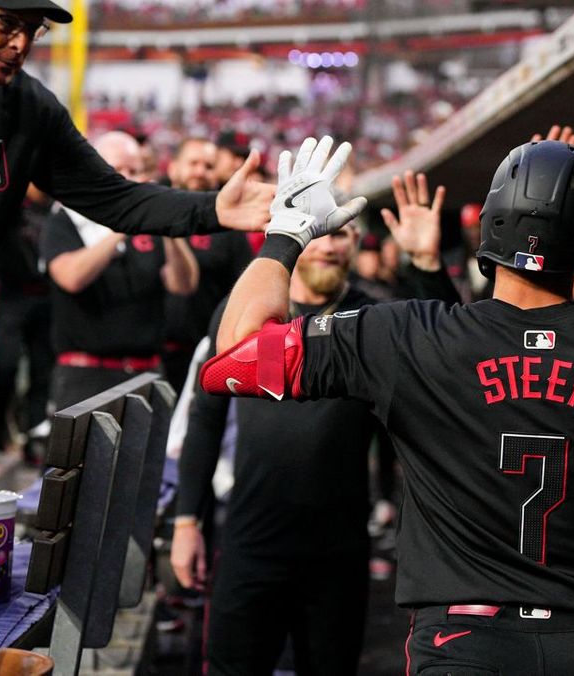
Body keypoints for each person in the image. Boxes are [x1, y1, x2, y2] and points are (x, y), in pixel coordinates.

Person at [201, 136, 574, 674]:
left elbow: (233, 361)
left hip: (461, 643)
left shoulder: (405, 336)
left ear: (490, 226)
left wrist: (285, 235)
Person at [0, 0, 274, 556]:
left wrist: (213, 210)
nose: (19, 43)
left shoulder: (24, 108)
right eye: (5, 23)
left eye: (31, 30)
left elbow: (113, 197)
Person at [172, 167, 459, 675]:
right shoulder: (244, 316)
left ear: (353, 241)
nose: (329, 247)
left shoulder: (376, 322)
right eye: (320, 235)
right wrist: (187, 522)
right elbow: (205, 420)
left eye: (342, 234)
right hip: (250, 540)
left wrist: (427, 262)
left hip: (338, 552)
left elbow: (448, 357)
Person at [41, 131, 199, 409]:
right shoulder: (67, 217)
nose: (126, 178)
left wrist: (167, 228)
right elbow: (71, 277)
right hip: (86, 375)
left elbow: (183, 285)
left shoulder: (151, 227)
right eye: (116, 170)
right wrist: (121, 225)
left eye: (134, 170)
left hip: (147, 373)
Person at [161, 137, 254, 392]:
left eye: (209, 166)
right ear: (172, 168)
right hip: (148, 354)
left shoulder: (229, 229)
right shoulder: (146, 218)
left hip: (204, 353)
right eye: (193, 163)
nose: (200, 171)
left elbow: (243, 289)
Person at [0, 183, 54, 463]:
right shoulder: (12, 202)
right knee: (4, 367)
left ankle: (32, 440)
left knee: (43, 373)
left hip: (48, 297)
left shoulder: (57, 207)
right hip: (11, 295)